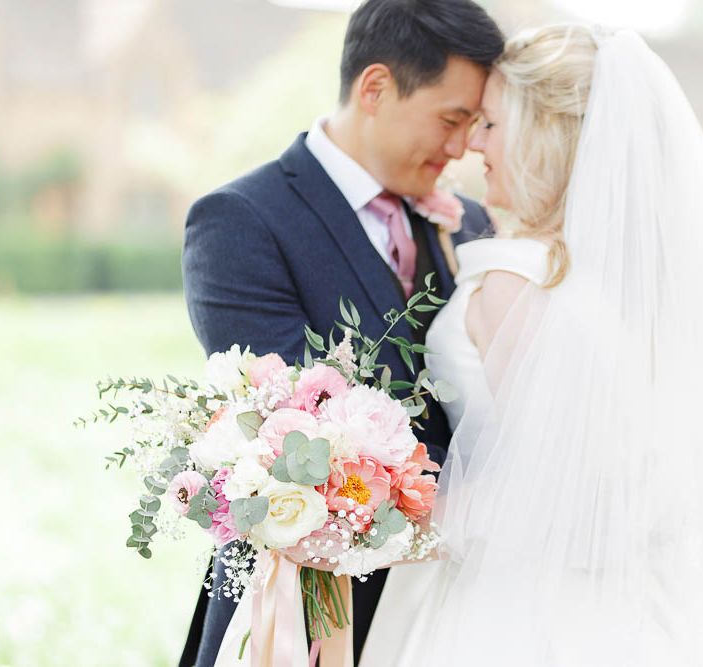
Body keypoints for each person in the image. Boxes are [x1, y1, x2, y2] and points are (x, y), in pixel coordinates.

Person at [360, 24, 703, 666]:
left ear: (545, 134)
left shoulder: (516, 282)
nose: (472, 145)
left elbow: (562, 484)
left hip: (517, 604)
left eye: (490, 124)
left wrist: (384, 513)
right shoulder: (607, 280)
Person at [179, 1, 504, 665]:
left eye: (475, 124)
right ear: (375, 88)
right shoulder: (240, 222)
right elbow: (302, 434)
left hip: (458, 608)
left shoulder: (472, 224)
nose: (461, 146)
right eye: (450, 118)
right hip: (308, 608)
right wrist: (497, 497)